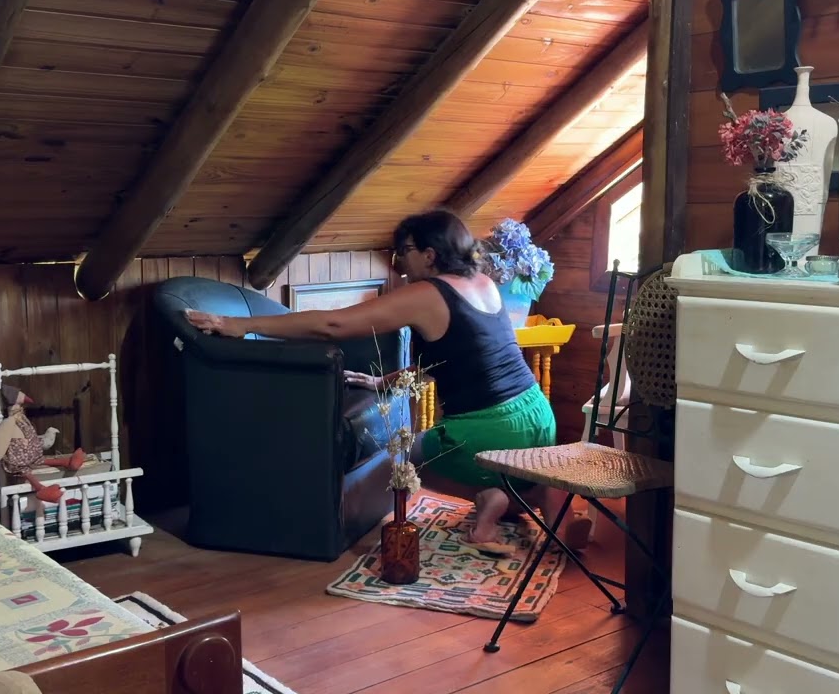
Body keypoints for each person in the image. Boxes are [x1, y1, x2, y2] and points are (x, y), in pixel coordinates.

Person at [184, 209, 590, 554]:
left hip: (490, 427)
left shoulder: (429, 293)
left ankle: (498, 496)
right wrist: (386, 381)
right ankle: (536, 494)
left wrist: (241, 324)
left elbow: (333, 324)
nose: (399, 262)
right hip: (537, 414)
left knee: (404, 462)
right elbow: (463, 355)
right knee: (511, 466)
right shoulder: (483, 283)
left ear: (430, 254)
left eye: (405, 251)